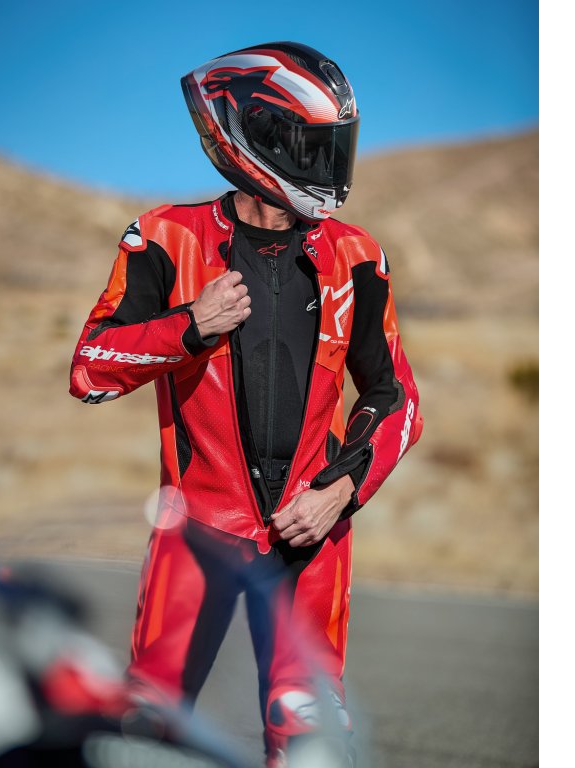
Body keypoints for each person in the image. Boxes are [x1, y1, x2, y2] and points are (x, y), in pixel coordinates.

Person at [69, 41, 423, 766]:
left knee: (310, 741)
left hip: (311, 535)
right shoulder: (165, 237)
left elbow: (397, 398)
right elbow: (89, 370)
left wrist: (339, 492)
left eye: (337, 147)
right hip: (195, 536)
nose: (332, 168)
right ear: (256, 137)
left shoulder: (358, 255)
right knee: (144, 734)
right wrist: (190, 327)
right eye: (315, 147)